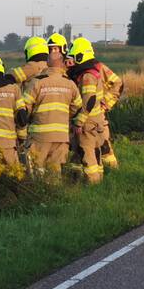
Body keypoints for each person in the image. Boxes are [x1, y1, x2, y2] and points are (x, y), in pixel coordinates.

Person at [67, 37, 123, 182]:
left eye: (73, 57)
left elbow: (90, 98)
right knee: (95, 150)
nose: (71, 61)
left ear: (80, 56)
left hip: (89, 120)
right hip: (95, 119)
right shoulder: (86, 72)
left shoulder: (89, 74)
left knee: (91, 151)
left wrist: (105, 104)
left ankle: (95, 182)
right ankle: (93, 179)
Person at [20, 58, 86, 176]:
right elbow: (77, 106)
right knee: (55, 170)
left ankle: (39, 187)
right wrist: (65, 116)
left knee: (37, 168)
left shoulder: (37, 81)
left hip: (40, 135)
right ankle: (54, 187)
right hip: (61, 135)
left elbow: (24, 108)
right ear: (62, 65)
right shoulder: (69, 83)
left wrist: (31, 119)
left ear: (47, 64)